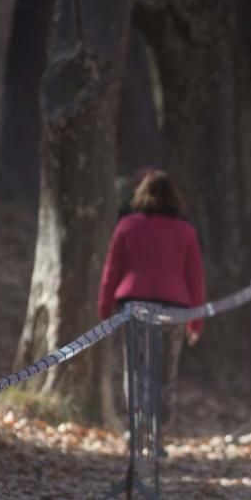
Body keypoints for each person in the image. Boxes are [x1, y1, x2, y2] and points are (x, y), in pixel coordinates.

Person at [98, 172, 207, 431]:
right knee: (166, 372)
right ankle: (160, 428)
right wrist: (196, 323)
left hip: (134, 305)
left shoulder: (127, 226)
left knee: (134, 367)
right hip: (174, 308)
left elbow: (111, 272)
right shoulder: (186, 232)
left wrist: (104, 311)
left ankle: (136, 424)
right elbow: (196, 279)